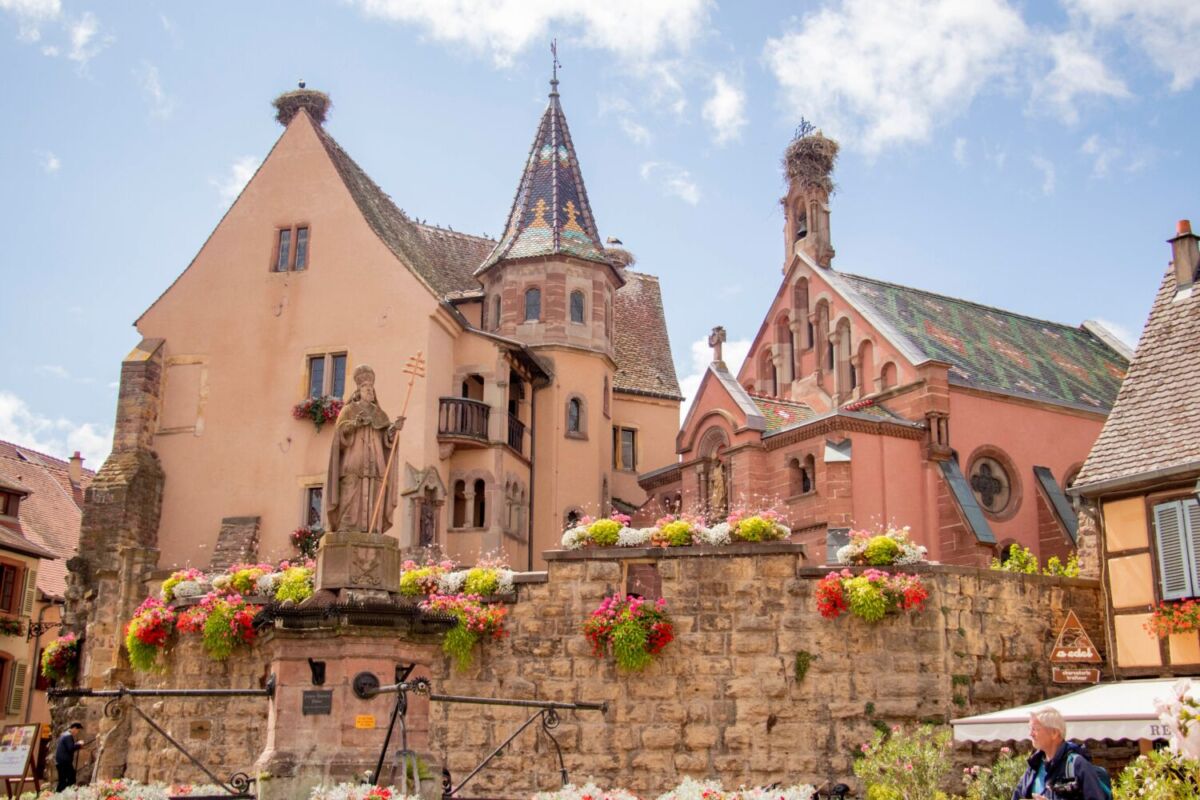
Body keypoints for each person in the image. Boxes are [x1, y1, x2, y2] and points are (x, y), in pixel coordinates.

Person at [325, 365, 405, 534]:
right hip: (353, 460)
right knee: (350, 491)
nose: (369, 391)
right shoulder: (349, 410)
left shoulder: (380, 414)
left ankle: (373, 526)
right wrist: (354, 424)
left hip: (376, 461)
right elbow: (340, 433)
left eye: (371, 388)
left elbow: (386, 439)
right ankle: (346, 526)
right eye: (365, 388)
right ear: (358, 390)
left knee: (376, 490)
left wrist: (393, 430)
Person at [1012, 707, 1107, 800]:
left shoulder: (1077, 765)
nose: (1031, 734)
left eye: (1035, 729)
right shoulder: (1033, 767)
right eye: (1030, 728)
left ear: (1054, 733)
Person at [54, 722, 87, 792]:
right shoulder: (68, 736)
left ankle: (59, 795)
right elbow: (71, 748)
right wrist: (79, 744)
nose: (77, 732)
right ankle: (66, 795)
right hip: (64, 763)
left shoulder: (64, 734)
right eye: (78, 730)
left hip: (61, 762)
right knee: (70, 780)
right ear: (74, 728)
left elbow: (68, 747)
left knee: (63, 781)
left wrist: (77, 744)